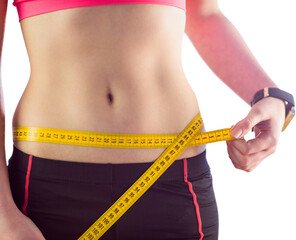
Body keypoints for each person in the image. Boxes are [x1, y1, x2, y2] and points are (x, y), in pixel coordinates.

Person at [0, 0, 294, 239]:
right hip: (48, 190)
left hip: (174, 181)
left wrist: (268, 93)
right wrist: (5, 218)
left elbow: (204, 14)